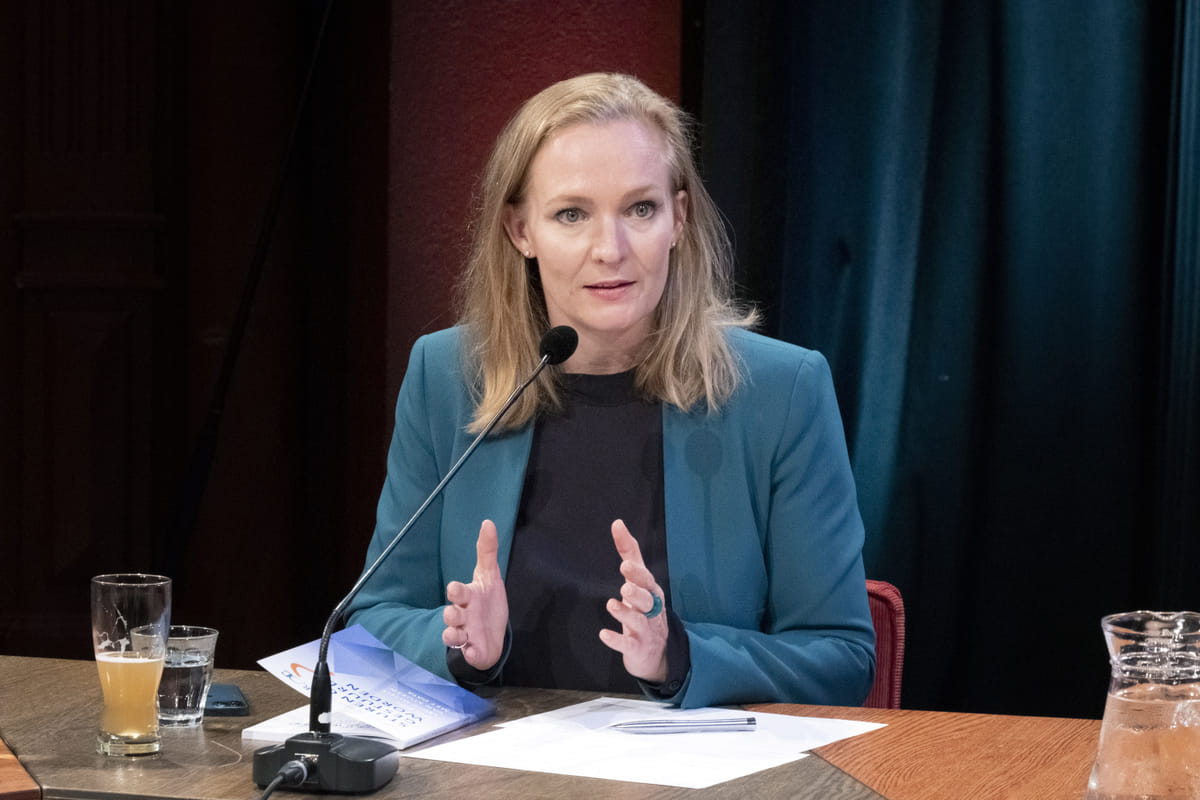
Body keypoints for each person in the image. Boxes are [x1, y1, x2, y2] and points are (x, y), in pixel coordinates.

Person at [347, 73, 874, 709]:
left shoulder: (781, 392)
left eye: (640, 209)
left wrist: (680, 654)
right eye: (572, 214)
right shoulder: (447, 375)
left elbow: (841, 657)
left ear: (679, 218)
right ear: (520, 231)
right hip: (489, 757)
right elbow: (371, 622)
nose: (610, 249)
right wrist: (456, 644)